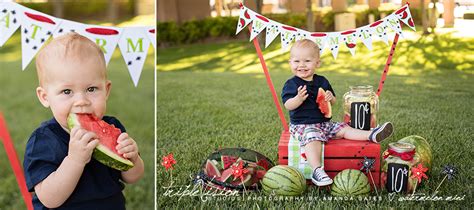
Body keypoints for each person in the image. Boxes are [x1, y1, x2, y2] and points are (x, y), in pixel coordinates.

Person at [23, 33, 145, 209]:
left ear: (106, 90)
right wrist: (75, 160)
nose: (81, 101)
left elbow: (133, 177)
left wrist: (133, 158)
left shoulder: (113, 127)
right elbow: (49, 199)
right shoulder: (43, 140)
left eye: (91, 89)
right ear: (45, 97)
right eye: (67, 91)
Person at [281, 39, 393, 186]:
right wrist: (298, 99)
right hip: (302, 126)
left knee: (343, 129)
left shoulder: (322, 81)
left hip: (324, 123)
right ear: (290, 63)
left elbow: (332, 102)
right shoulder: (291, 84)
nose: (301, 65)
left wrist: (330, 97)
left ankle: (371, 135)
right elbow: (288, 105)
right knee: (312, 136)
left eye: (307, 61)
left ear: (317, 63)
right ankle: (317, 171)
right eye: (296, 61)